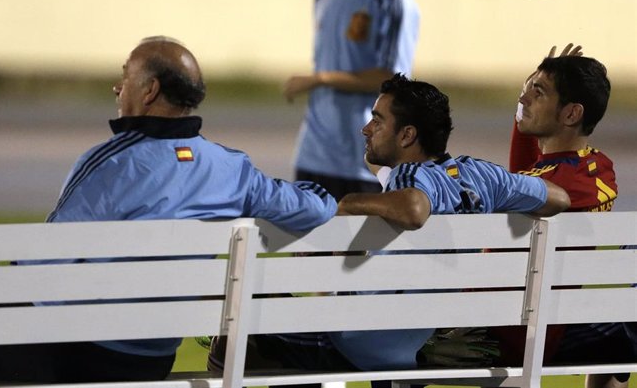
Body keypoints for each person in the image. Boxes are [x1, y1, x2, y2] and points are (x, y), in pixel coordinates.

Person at [0, 36, 337, 384]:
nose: (117, 87)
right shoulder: (232, 169)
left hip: (74, 354)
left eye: (125, 77)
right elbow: (316, 209)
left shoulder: (112, 163)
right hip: (150, 360)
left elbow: (45, 261)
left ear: (149, 90)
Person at [209, 74, 570, 384]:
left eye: (377, 121)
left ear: (407, 135)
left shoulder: (409, 177)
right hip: (427, 337)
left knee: (238, 331)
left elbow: (414, 208)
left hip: (366, 342)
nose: (366, 128)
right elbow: (559, 198)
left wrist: (344, 204)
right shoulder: (481, 175)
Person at [495, 44, 633, 388]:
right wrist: (532, 97)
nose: (523, 99)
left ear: (570, 114)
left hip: (500, 328)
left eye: (536, 93)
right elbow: (532, 175)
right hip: (537, 332)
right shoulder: (595, 170)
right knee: (622, 310)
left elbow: (529, 176)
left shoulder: (534, 185)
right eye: (526, 91)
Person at [284, 0, 420, 200]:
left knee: (358, 249)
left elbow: (392, 80)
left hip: (363, 161)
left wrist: (319, 79)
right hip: (314, 155)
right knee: (307, 248)